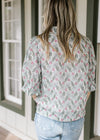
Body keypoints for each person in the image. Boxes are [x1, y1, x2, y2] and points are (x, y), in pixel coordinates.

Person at [21, 0, 97, 139]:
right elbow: (90, 85)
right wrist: (74, 108)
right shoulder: (86, 45)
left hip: (47, 117)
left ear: (48, 14)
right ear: (71, 14)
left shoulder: (37, 43)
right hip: (75, 119)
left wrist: (48, 105)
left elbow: (31, 87)